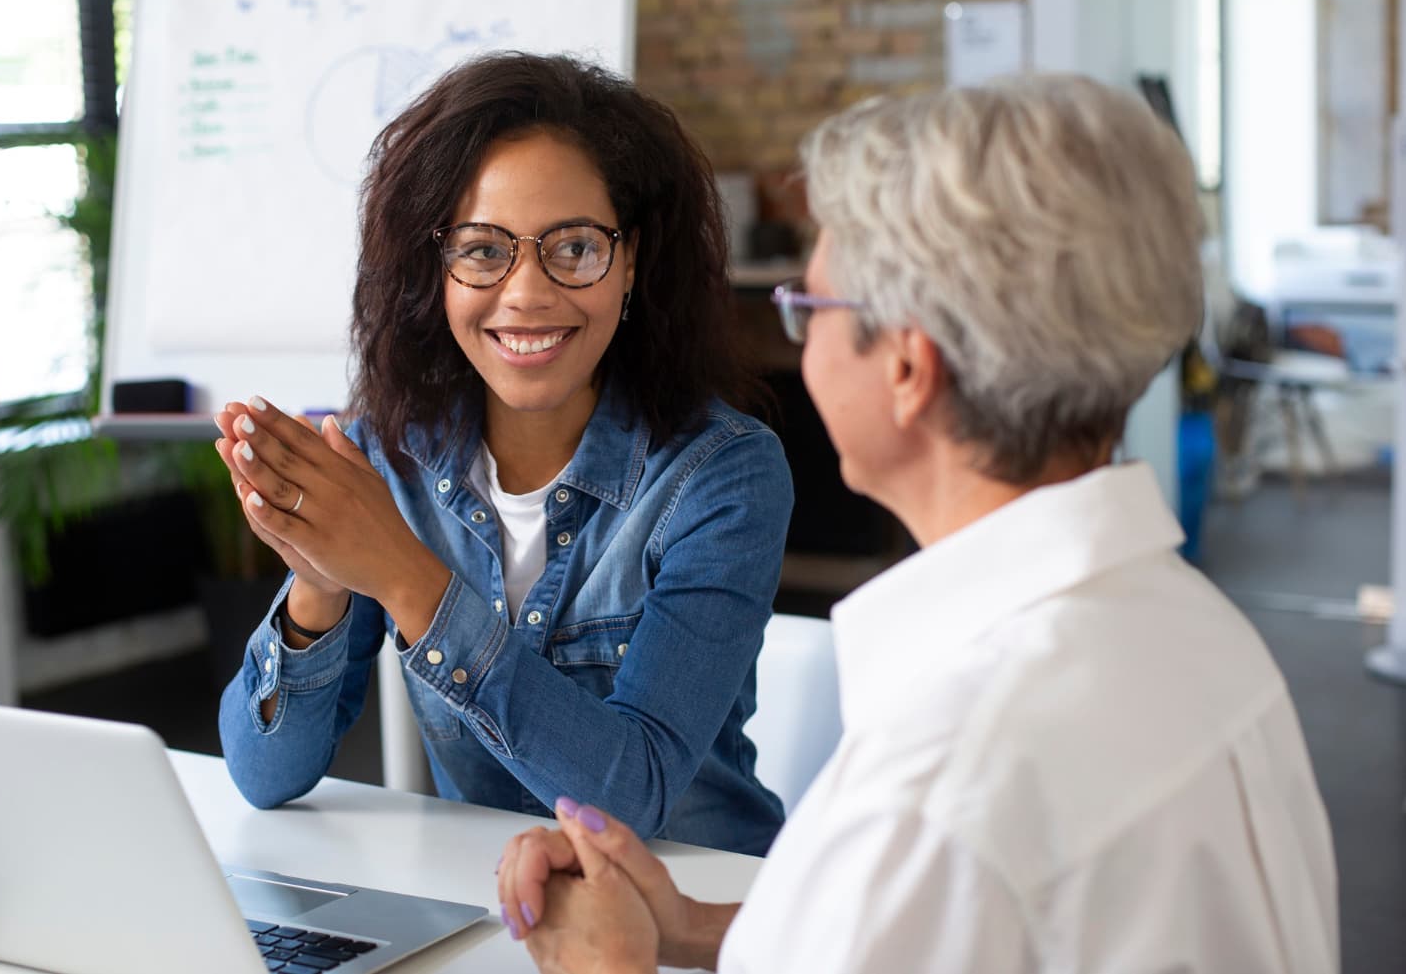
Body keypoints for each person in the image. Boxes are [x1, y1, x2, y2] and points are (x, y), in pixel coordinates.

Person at [495, 75, 1340, 971]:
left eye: (809, 307)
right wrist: (688, 926)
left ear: (908, 367)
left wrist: (610, 964)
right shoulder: (1197, 629)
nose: (800, 343)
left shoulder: (947, 779)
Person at [213, 51, 793, 858]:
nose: (526, 292)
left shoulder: (723, 473)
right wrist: (319, 580)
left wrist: (404, 575)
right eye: (484, 249)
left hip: (703, 910)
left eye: (575, 248)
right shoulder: (395, 454)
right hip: (492, 911)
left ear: (632, 263)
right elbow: (263, 773)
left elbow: (636, 793)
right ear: (435, 269)